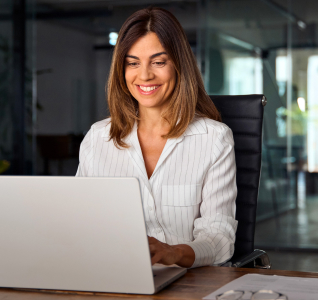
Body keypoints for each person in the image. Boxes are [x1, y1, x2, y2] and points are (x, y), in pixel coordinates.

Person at [75, 7, 237, 268]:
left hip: (188, 283)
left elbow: (220, 238)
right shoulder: (98, 138)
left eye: (159, 62)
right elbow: (79, 222)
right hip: (114, 276)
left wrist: (175, 253)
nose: (145, 75)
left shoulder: (214, 139)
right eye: (133, 63)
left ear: (178, 65)